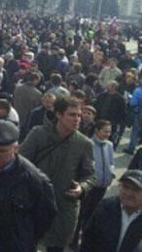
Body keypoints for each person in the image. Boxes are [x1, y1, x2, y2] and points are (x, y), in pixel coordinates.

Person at [0, 120, 56, 252]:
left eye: (2, 151)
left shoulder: (32, 179)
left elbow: (45, 217)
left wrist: (24, 238)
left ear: (16, 149)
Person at [20, 96, 95, 252]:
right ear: (59, 115)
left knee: (56, 246)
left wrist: (82, 188)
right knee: (25, 243)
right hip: (34, 202)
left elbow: (90, 175)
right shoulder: (38, 134)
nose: (77, 119)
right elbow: (20, 162)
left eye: (79, 115)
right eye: (72, 115)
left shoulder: (84, 143)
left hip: (64, 206)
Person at [80, 169, 142, 252]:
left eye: (136, 189)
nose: (129, 193)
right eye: (126, 187)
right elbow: (88, 239)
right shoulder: (105, 207)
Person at [95, 79, 127, 148]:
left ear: (114, 87)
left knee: (109, 139)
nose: (107, 87)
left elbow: (122, 112)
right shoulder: (102, 95)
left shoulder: (120, 99)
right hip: (100, 119)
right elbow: (97, 105)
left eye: (109, 86)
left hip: (112, 122)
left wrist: (120, 124)